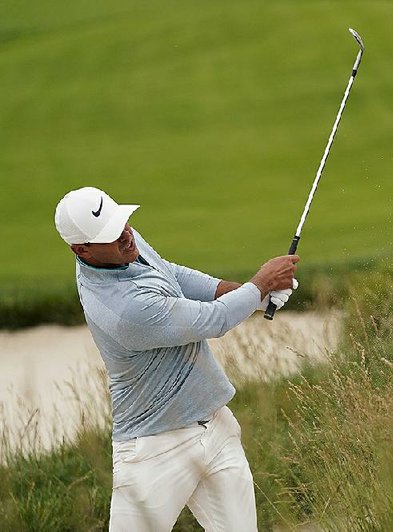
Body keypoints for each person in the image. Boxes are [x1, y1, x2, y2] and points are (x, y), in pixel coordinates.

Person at [54, 186, 299, 531]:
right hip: (153, 450)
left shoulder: (123, 244)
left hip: (214, 427)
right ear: (81, 249)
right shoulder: (122, 309)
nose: (125, 234)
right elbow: (212, 321)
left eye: (121, 221)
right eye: (111, 233)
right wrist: (259, 285)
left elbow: (169, 275)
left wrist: (245, 294)